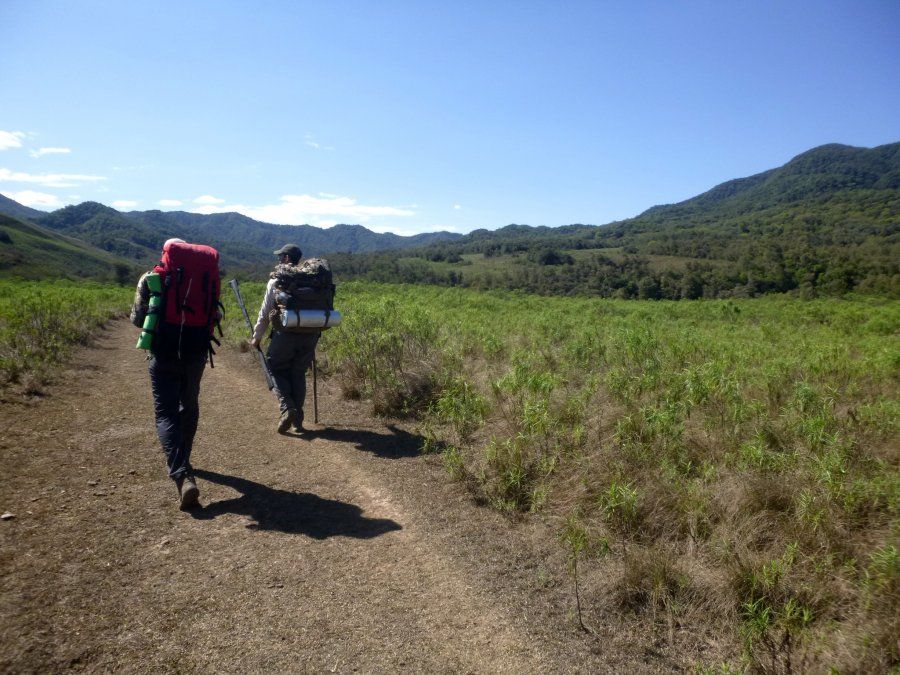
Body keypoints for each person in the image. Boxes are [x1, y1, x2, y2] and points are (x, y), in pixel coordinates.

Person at [131, 238, 221, 510]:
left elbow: (137, 318)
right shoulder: (207, 275)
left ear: (166, 253)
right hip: (195, 352)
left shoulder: (151, 277)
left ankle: (182, 474)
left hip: (163, 352)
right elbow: (214, 314)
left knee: (166, 412)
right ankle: (185, 459)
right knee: (189, 404)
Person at [250, 244, 319, 434]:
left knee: (275, 368)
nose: (279, 260)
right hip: (310, 334)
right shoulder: (313, 280)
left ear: (288, 258)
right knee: (297, 374)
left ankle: (287, 408)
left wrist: (256, 338)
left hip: (285, 335)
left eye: (281, 257)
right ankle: (298, 422)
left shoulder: (278, 281)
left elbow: (265, 315)